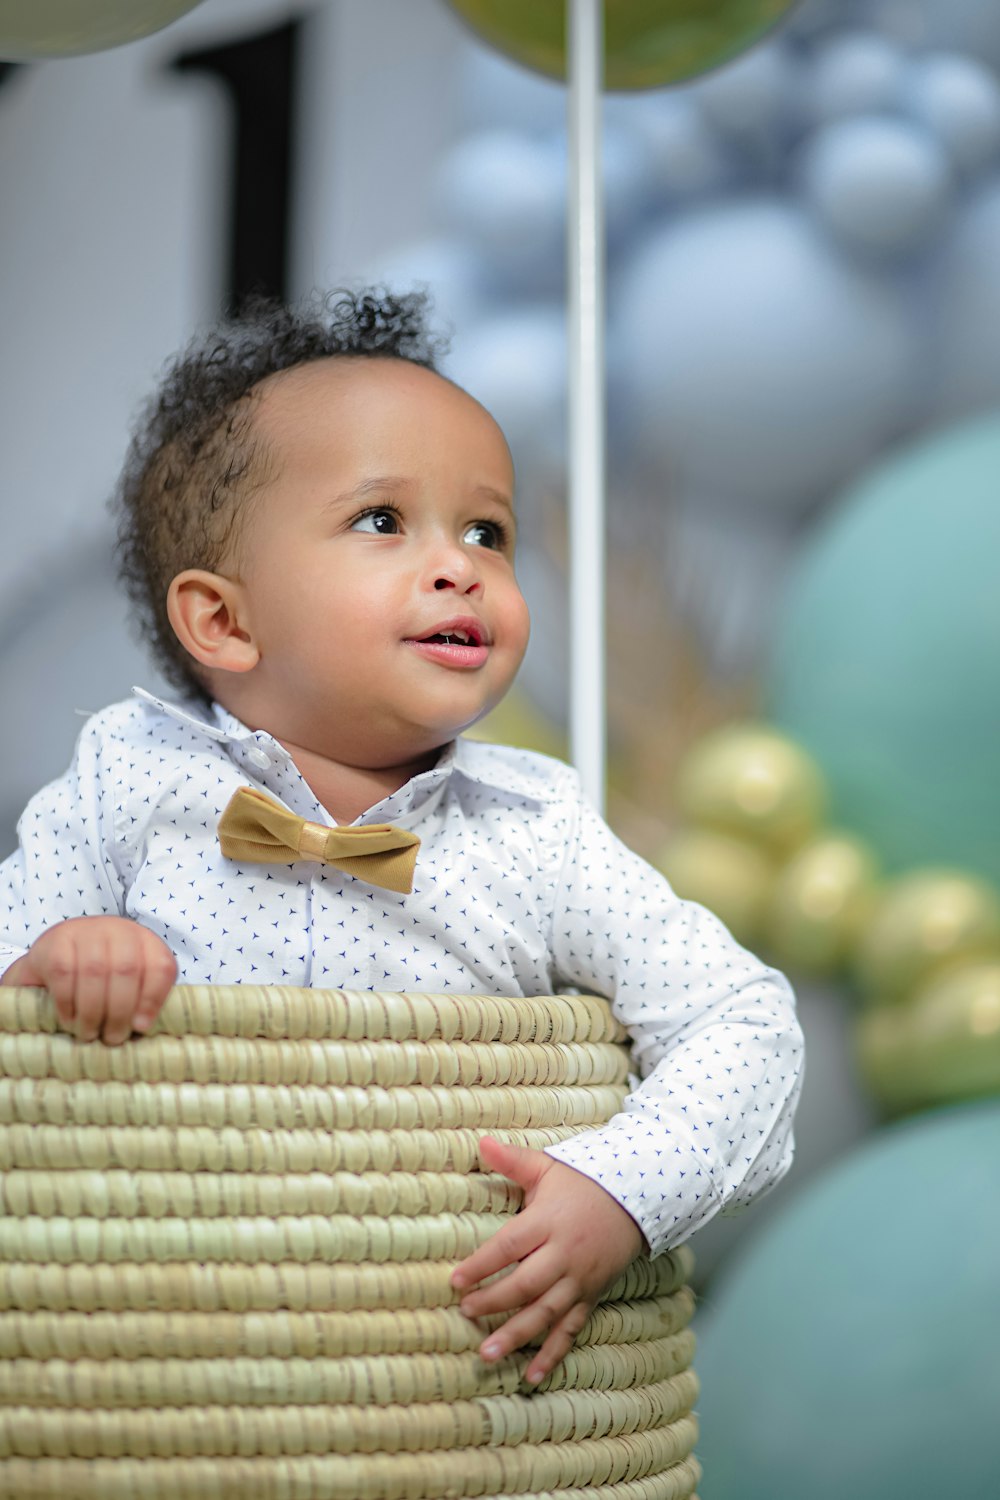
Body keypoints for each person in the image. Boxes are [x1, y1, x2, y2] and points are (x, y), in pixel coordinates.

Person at [0, 289, 803, 1386]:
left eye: (488, 530)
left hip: (434, 1367)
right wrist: (55, 953)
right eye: (383, 520)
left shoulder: (538, 833)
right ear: (224, 622)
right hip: (153, 1353)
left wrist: (624, 1188)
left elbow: (741, 1018)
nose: (460, 564)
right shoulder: (121, 785)